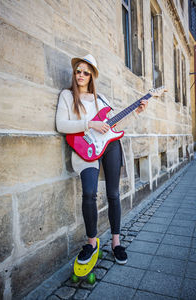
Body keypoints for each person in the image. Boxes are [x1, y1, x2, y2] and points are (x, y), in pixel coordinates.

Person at [56, 54, 148, 264]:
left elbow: (114, 127)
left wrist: (136, 113)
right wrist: (89, 124)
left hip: (110, 147)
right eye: (78, 71)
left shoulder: (102, 99)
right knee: (89, 193)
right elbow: (61, 124)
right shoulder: (67, 96)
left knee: (113, 194)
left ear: (92, 76)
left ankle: (116, 243)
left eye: (86, 72)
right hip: (85, 149)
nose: (81, 75)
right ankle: (92, 242)